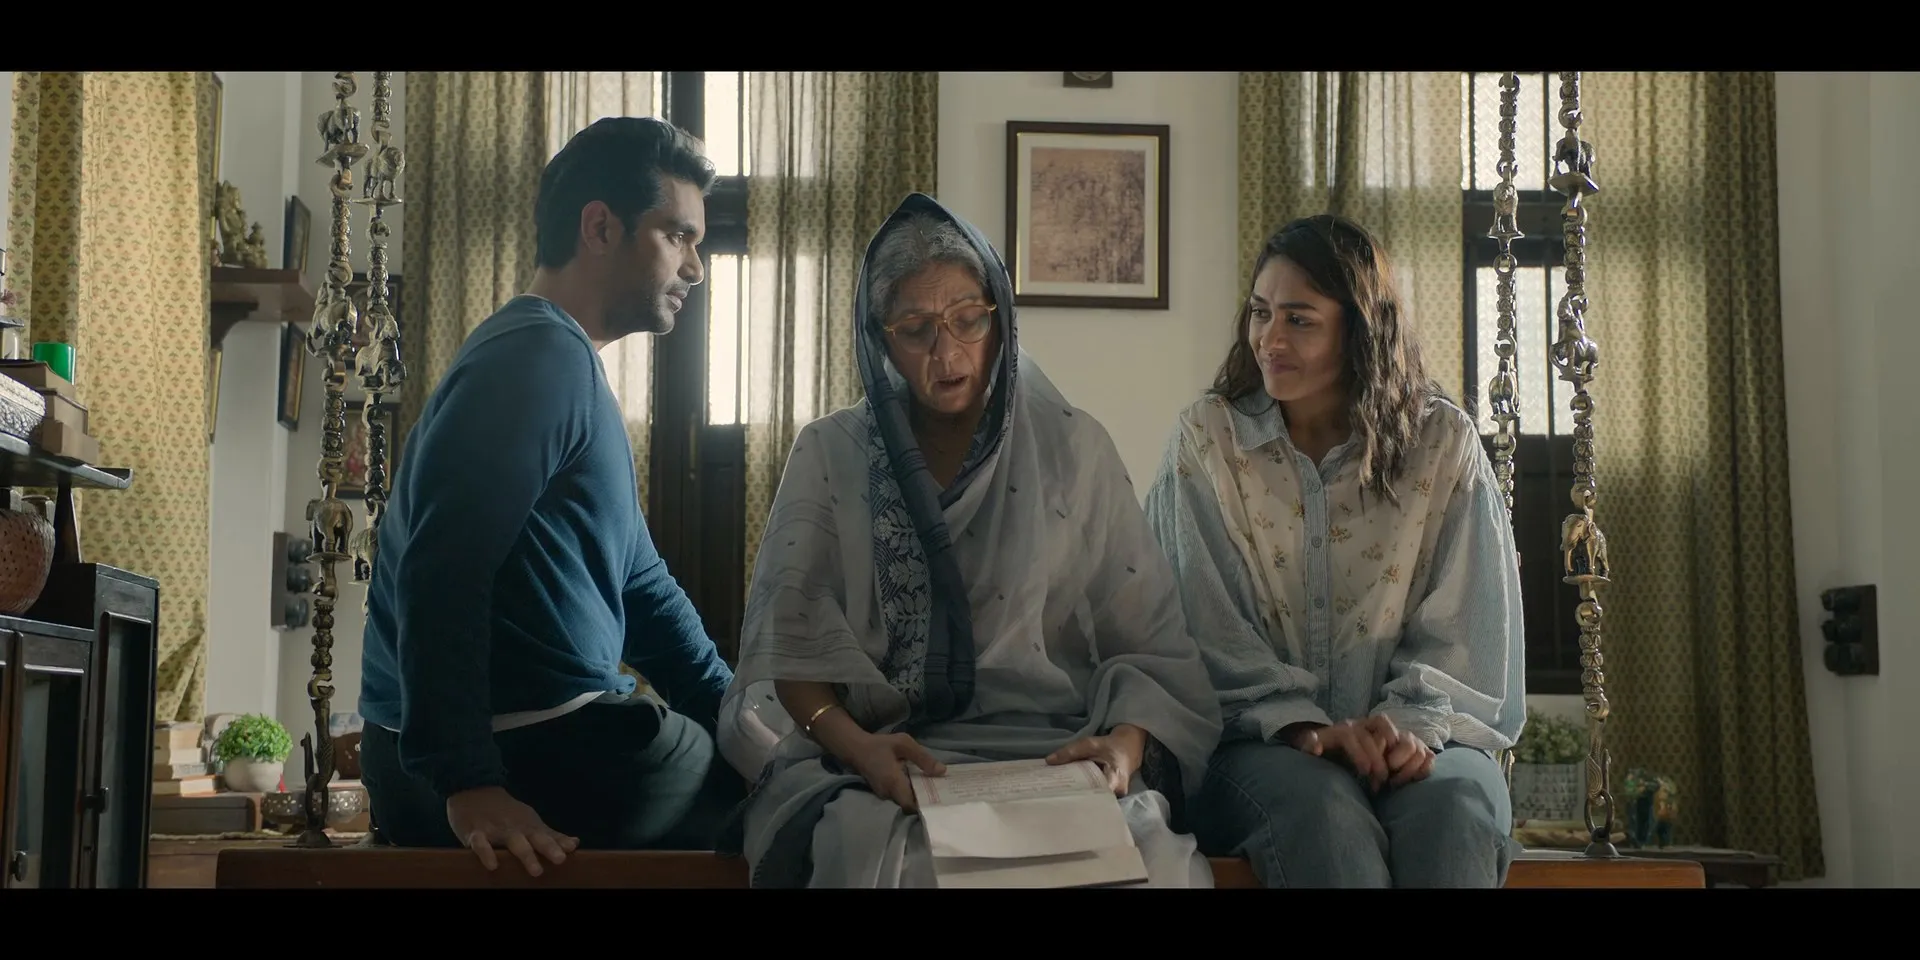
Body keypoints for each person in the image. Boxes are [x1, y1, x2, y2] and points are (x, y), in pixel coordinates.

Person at [712, 194, 1224, 888]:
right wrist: (860, 750)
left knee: (1151, 865)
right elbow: (793, 651)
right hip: (889, 760)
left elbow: (1151, 647)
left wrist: (1124, 749)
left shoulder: (1074, 448)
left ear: (1000, 318)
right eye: (915, 329)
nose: (946, 352)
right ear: (879, 339)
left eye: (967, 320)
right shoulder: (830, 453)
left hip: (1053, 755)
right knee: (889, 864)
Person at [358, 117, 739, 877]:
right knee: (784, 795)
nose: (696, 267)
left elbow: (645, 591)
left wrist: (748, 719)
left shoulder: (563, 364)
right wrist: (468, 782)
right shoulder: (536, 358)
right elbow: (443, 565)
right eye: (678, 236)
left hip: (522, 750)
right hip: (523, 756)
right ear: (600, 227)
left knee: (769, 762)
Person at [1143, 214, 1526, 888]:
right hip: (1255, 746)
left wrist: (1401, 729)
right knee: (1323, 810)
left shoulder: (1443, 444)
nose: (1270, 339)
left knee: (1455, 810)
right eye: (1260, 313)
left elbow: (1469, 630)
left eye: (1299, 320)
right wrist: (1304, 729)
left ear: (1360, 330)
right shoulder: (1207, 443)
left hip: (1426, 739)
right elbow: (1203, 630)